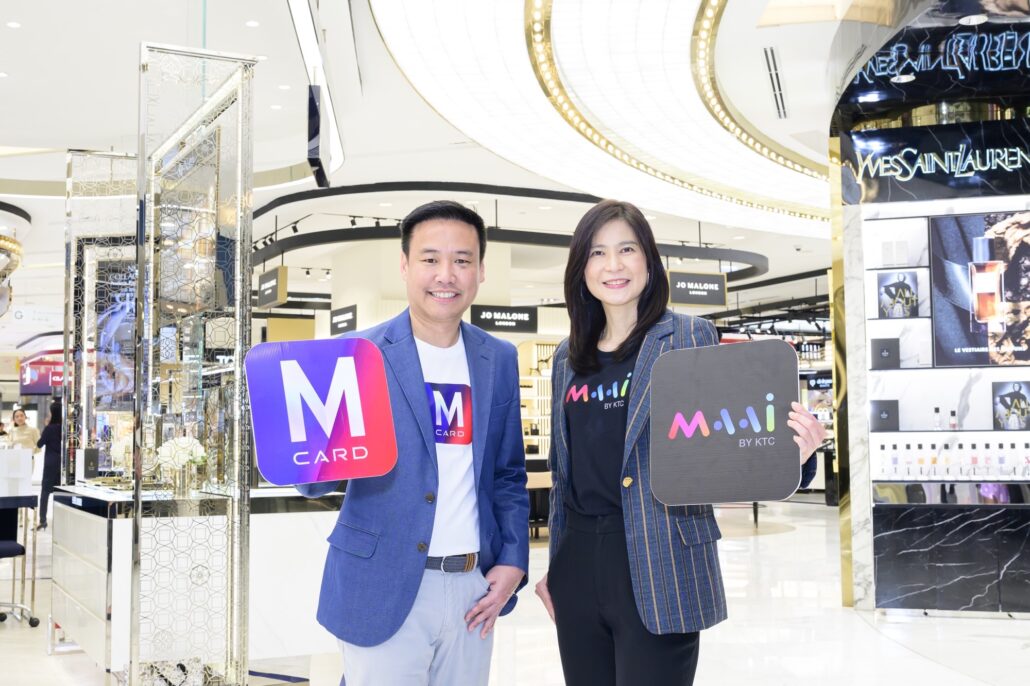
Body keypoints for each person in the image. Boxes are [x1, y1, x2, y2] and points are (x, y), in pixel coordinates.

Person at [534, 200, 826, 686]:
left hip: (661, 555)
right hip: (579, 560)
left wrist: (793, 454)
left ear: (649, 260)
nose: (613, 265)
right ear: (581, 268)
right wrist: (556, 567)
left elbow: (729, 437)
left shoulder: (689, 335)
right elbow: (565, 472)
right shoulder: (569, 356)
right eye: (597, 252)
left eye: (627, 249)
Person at [298, 200, 529, 686]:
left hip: (472, 589)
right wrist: (299, 432)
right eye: (430, 259)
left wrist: (513, 559)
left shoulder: (499, 358)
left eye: (462, 260)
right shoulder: (356, 356)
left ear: (480, 271)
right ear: (404, 265)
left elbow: (507, 473)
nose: (446, 274)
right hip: (380, 584)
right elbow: (314, 482)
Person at [36, 401, 62, 530]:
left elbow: (39, 444)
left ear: (51, 413)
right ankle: (62, 520)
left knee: (45, 492)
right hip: (63, 464)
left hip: (50, 464)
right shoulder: (65, 428)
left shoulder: (49, 428)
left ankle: (43, 520)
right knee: (61, 492)